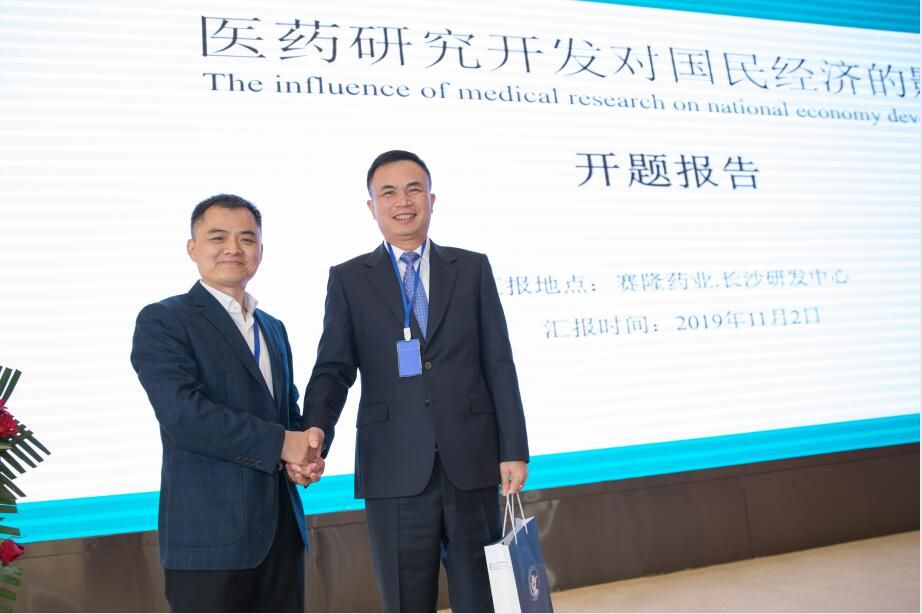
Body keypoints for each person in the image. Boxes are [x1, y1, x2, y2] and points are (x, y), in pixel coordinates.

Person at [303, 151, 530, 612]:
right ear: (372, 207)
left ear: (431, 198)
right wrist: (314, 434)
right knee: (406, 601)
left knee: (482, 599)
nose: (402, 201)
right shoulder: (349, 279)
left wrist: (513, 448)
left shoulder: (471, 268)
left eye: (413, 189)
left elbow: (498, 362)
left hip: (472, 461)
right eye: (388, 192)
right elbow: (334, 368)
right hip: (393, 467)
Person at [130, 194, 325, 612]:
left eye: (247, 239)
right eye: (218, 237)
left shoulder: (273, 328)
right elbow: (184, 416)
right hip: (210, 543)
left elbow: (287, 413)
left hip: (282, 537)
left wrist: (303, 460)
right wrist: (281, 444)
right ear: (192, 248)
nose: (234, 249)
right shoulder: (164, 320)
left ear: (260, 251)